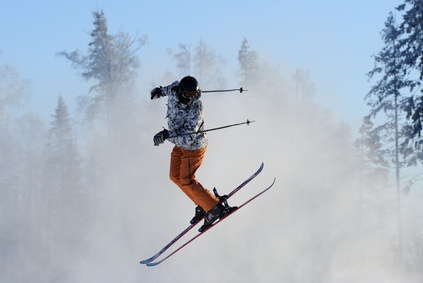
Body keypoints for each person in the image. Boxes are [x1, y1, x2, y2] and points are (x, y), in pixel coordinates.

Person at [151, 76, 231, 232]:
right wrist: (158, 92)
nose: (191, 98)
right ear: (181, 92)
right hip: (179, 145)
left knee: (186, 179)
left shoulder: (197, 109)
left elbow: (189, 136)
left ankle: (214, 208)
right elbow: (168, 89)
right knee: (175, 177)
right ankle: (202, 203)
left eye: (194, 95)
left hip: (194, 147)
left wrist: (167, 134)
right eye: (188, 95)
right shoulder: (174, 89)